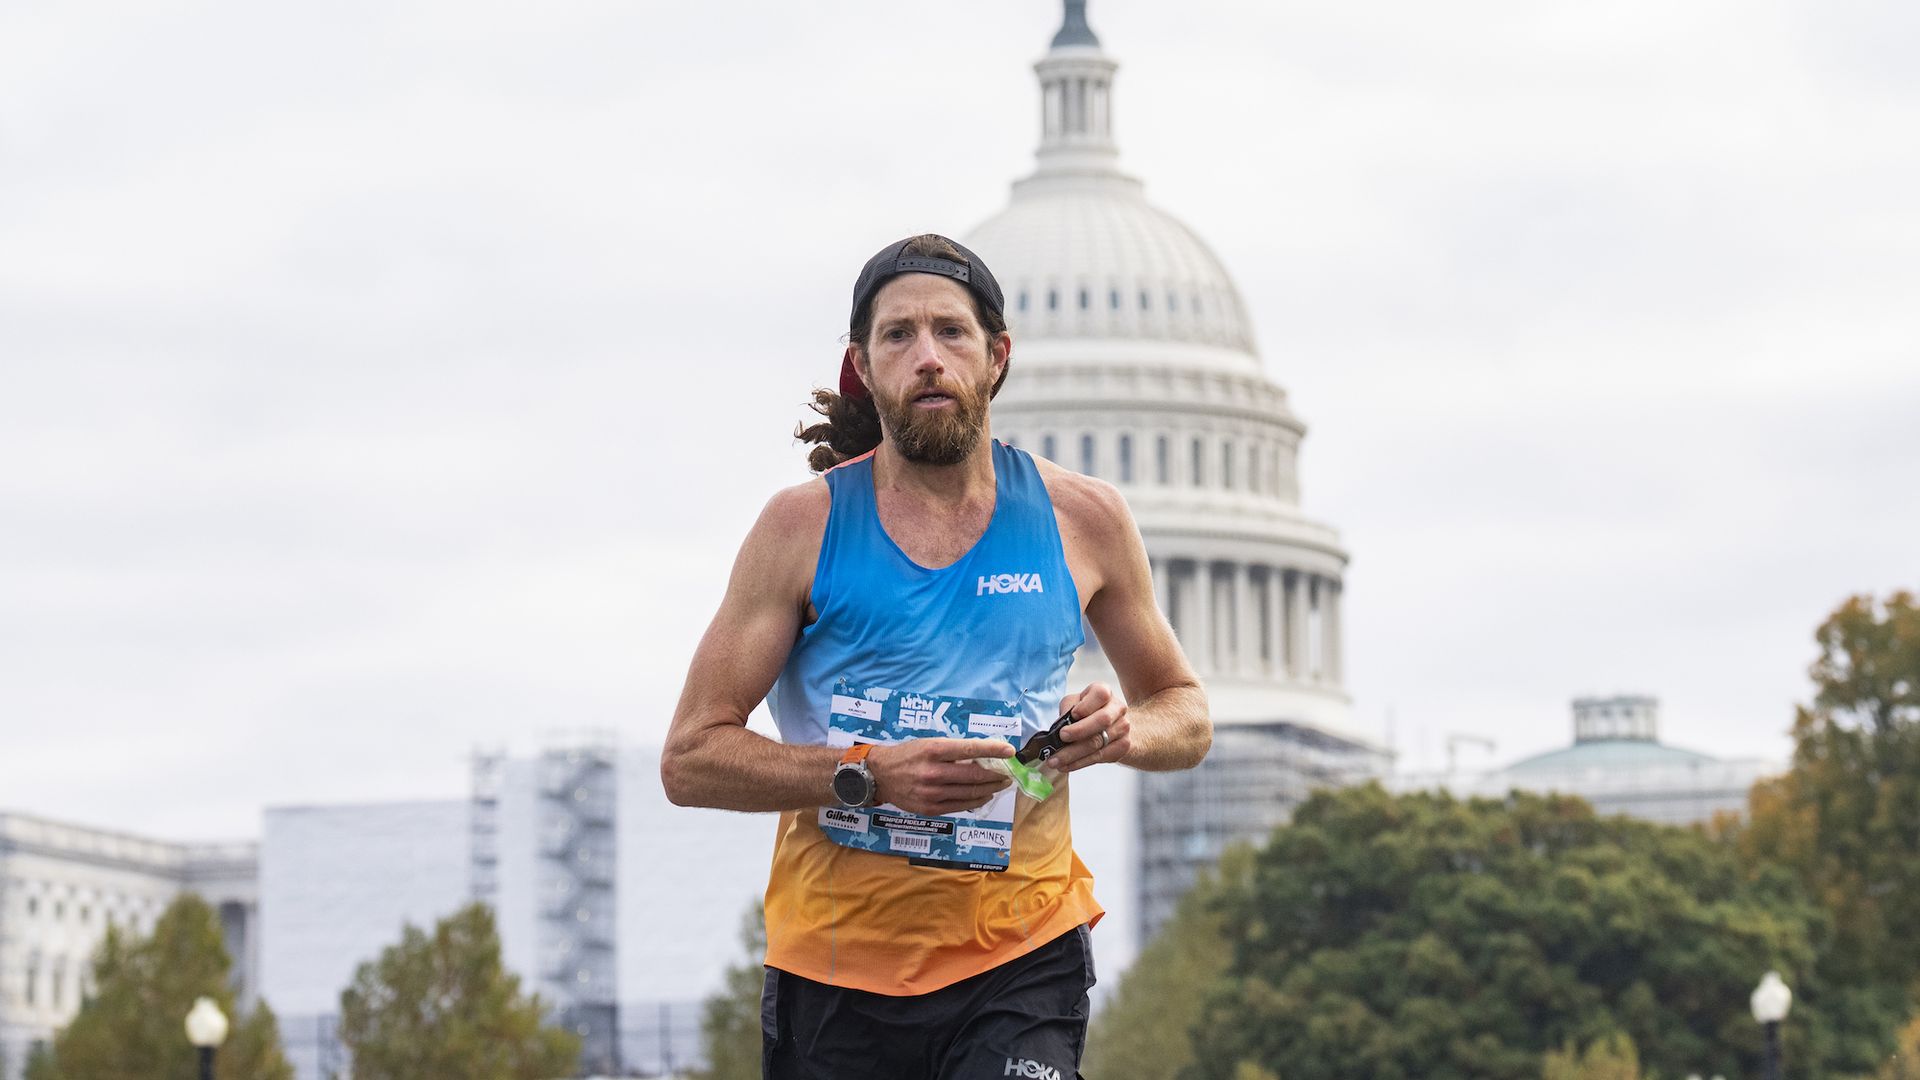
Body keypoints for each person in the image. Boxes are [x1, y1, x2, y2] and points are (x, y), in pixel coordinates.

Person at [661, 233, 1210, 1080]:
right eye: (898, 336)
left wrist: (1120, 730)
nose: (926, 357)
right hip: (836, 975)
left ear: (997, 357)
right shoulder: (799, 530)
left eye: (951, 333)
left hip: (1021, 957)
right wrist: (864, 774)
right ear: (864, 365)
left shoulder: (1084, 519)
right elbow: (691, 759)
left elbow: (1187, 712)